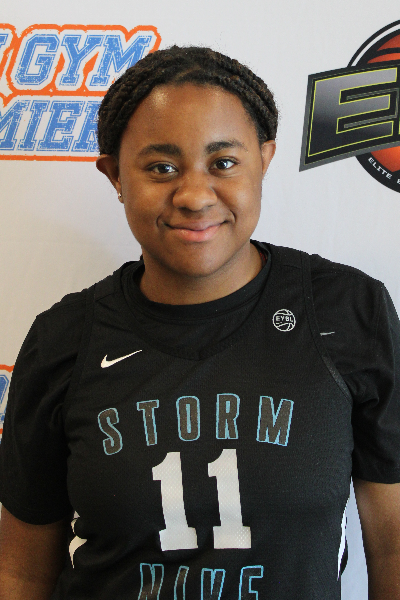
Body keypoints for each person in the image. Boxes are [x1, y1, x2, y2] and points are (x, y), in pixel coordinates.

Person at [0, 46, 399, 600]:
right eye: (161, 168)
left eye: (223, 162)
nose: (193, 196)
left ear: (264, 159)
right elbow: (21, 571)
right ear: (115, 174)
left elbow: (393, 547)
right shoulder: (63, 339)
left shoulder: (346, 311)